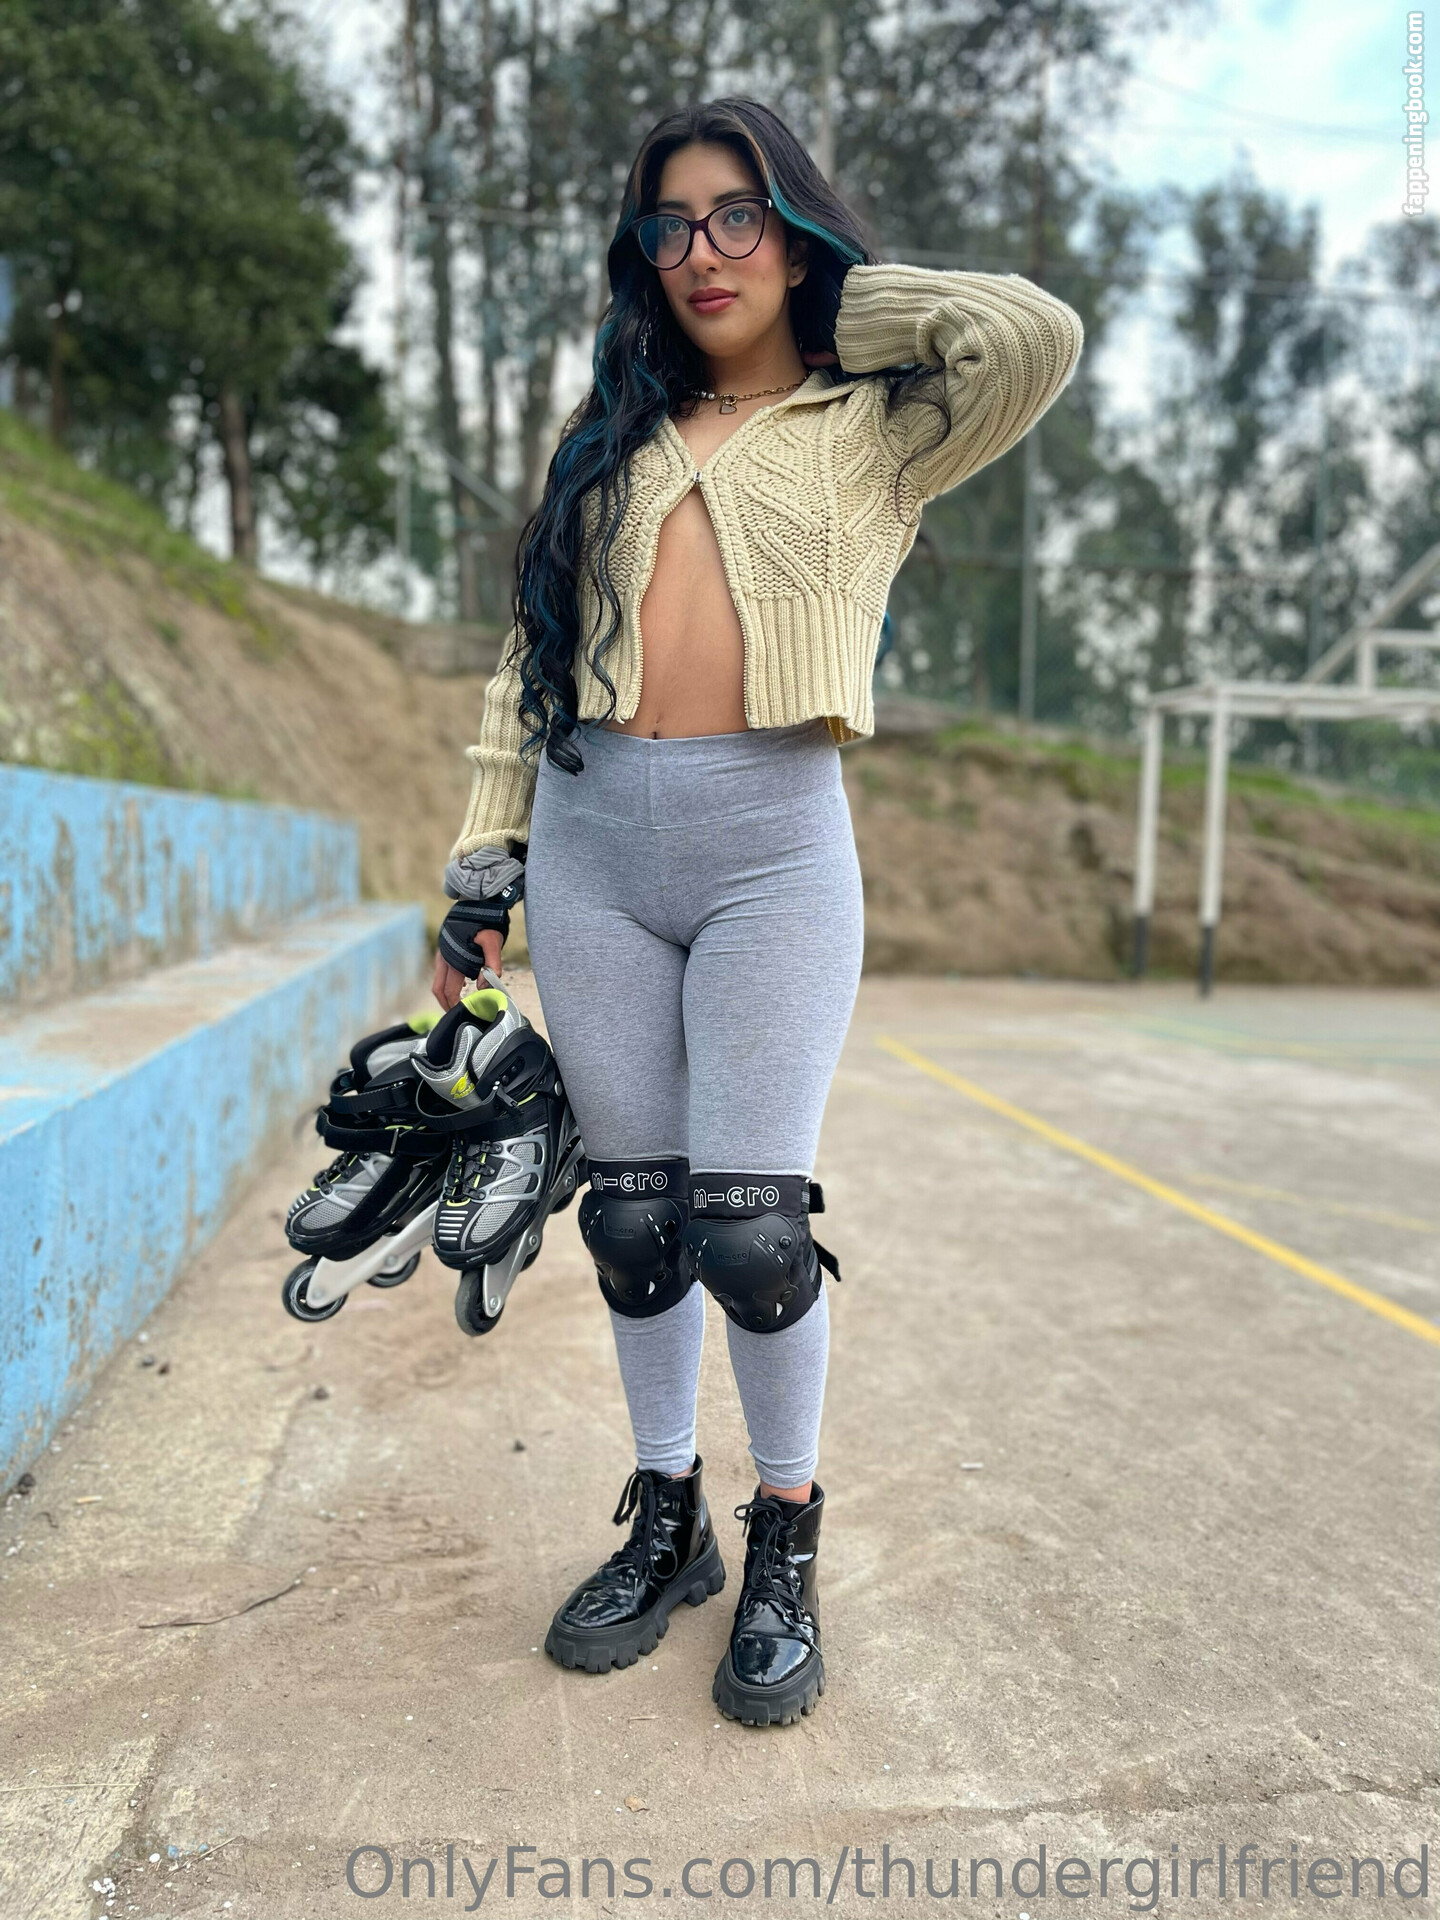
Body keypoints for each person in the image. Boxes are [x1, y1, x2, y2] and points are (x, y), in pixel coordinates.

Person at [432, 96, 1083, 1728]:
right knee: (634, 1219)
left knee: (752, 1229)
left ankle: (785, 1531)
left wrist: (839, 295)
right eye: (671, 226)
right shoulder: (610, 441)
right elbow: (528, 665)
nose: (701, 253)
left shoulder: (881, 426)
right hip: (590, 847)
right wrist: (480, 868)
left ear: (791, 232)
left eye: (738, 216)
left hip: (771, 848)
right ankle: (668, 1519)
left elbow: (1030, 336)